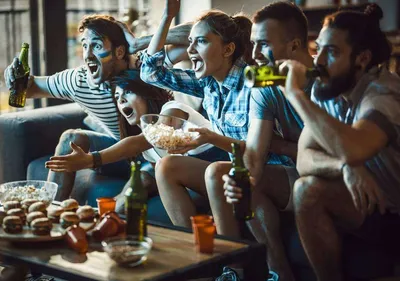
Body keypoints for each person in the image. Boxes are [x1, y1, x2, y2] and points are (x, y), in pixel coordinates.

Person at [4, 14, 191, 201]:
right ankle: (50, 209)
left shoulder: (148, 65)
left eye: (97, 46)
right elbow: (28, 88)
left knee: (139, 184)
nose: (88, 55)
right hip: (119, 154)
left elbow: (200, 34)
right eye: (85, 45)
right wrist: (12, 77)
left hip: (159, 155)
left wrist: (138, 43)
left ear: (119, 52)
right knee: (72, 137)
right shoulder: (78, 81)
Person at [275, 4, 400, 281]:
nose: (317, 60)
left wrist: (295, 94)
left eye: (331, 52)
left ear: (362, 58)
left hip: (395, 212)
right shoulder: (328, 88)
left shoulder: (384, 94)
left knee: (309, 190)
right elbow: (304, 158)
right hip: (369, 203)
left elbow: (355, 148)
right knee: (306, 189)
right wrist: (344, 167)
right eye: (317, 47)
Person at [218, 2, 313, 280]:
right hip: (300, 170)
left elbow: (335, 153)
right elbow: (255, 157)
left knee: (310, 186)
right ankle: (279, 273)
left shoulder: (329, 81)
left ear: (294, 45)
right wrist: (242, 181)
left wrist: (285, 147)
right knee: (242, 180)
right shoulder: (264, 87)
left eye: (263, 44)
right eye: (253, 44)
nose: (255, 54)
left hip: (334, 175)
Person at [139, 0, 255, 228]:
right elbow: (149, 73)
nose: (190, 50)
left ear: (228, 49)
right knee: (166, 166)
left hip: (262, 170)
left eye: (200, 42)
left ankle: (231, 263)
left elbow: (258, 151)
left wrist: (209, 137)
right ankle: (192, 254)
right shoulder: (208, 84)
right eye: (190, 42)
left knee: (214, 171)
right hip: (232, 168)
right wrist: (167, 17)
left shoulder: (253, 82)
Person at [45, 70, 228, 212]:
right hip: (174, 173)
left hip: (218, 171)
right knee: (122, 199)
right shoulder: (146, 149)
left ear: (147, 93)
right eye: (117, 97)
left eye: (129, 92)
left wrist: (92, 159)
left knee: (155, 171)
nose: (121, 99)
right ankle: (51, 211)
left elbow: (145, 139)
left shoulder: (173, 109)